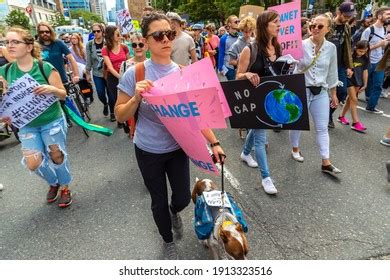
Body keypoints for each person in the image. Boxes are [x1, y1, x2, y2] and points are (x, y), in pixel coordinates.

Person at [115, 12, 225, 259]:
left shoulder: (185, 73)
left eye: (170, 33)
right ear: (146, 41)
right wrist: (136, 97)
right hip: (148, 149)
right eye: (158, 35)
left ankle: (175, 211)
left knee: (183, 198)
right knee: (158, 200)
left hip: (178, 148)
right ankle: (167, 241)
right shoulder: (136, 73)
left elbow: (196, 115)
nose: (166, 39)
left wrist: (214, 143)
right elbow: (121, 115)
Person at [0, 27, 72, 207]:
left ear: (29, 46)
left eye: (15, 42)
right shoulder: (6, 71)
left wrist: (52, 89)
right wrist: (5, 115)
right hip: (26, 125)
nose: (10, 45)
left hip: (52, 121)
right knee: (33, 163)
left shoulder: (44, 67)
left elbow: (63, 94)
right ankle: (53, 182)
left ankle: (64, 186)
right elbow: (5, 101)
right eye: (7, 42)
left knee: (56, 156)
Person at [235, 11, 281, 195]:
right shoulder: (250, 49)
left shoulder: (277, 47)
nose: (279, 25)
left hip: (271, 99)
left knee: (256, 129)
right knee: (261, 138)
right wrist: (246, 74)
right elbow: (238, 75)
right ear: (264, 25)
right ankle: (266, 177)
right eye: (275, 22)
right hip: (254, 100)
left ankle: (245, 153)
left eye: (279, 22)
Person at [289, 15, 341, 175]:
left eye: (320, 26)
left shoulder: (331, 48)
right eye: (313, 26)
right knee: (297, 122)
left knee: (322, 127)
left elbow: (332, 71)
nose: (316, 29)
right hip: (300, 89)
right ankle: (295, 148)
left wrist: (334, 94)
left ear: (328, 29)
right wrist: (292, 60)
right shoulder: (300, 45)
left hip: (321, 92)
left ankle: (326, 161)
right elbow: (289, 66)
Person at [327, 2, 355, 128]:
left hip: (339, 65)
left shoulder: (347, 27)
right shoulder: (327, 24)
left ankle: (328, 115)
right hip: (324, 63)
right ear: (339, 12)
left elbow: (348, 46)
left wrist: (349, 66)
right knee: (312, 92)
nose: (348, 18)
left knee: (342, 92)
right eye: (346, 16)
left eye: (350, 16)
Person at [361, 7, 390, 114]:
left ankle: (371, 106)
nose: (389, 16)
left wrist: (385, 43)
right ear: (379, 16)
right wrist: (380, 44)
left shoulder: (384, 29)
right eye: (387, 14)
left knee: (378, 84)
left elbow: (382, 46)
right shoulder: (369, 30)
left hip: (379, 62)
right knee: (362, 84)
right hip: (367, 62)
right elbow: (361, 48)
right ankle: (347, 99)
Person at [338, 40, 370, 132]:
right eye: (360, 51)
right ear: (356, 48)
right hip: (349, 80)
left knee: (350, 99)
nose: (362, 53)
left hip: (358, 81)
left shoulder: (365, 58)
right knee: (354, 100)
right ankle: (355, 123)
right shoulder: (350, 57)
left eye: (364, 51)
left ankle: (341, 116)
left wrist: (365, 84)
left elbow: (365, 71)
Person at [102, 25, 130, 124]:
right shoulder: (105, 49)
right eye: (117, 33)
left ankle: (129, 119)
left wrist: (126, 76)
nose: (119, 35)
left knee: (128, 98)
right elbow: (109, 67)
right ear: (111, 36)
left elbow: (129, 62)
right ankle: (120, 119)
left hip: (125, 76)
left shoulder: (124, 47)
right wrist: (120, 77)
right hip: (113, 78)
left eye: (120, 33)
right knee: (117, 99)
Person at [85, 23, 110, 117]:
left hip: (108, 72)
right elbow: (88, 60)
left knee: (111, 94)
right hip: (97, 73)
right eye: (94, 31)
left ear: (102, 31)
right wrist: (87, 73)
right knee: (100, 93)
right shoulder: (90, 44)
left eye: (98, 31)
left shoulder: (108, 42)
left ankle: (112, 112)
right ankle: (105, 104)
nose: (96, 33)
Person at [218, 15, 240, 80]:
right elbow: (221, 53)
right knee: (233, 88)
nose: (238, 23)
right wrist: (220, 68)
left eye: (239, 21)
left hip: (241, 66)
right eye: (236, 22)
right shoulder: (223, 38)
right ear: (229, 24)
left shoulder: (241, 36)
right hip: (229, 67)